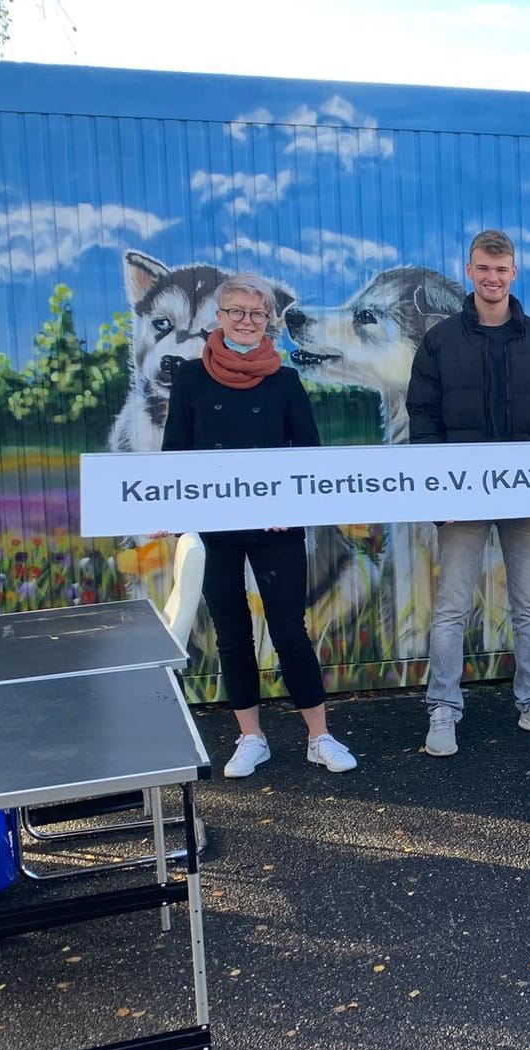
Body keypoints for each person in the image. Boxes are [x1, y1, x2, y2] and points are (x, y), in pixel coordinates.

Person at [162, 273, 356, 778]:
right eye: (237, 312)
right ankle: (251, 737)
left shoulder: (286, 380)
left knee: (290, 629)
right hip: (213, 529)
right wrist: (170, 515)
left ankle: (320, 736)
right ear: (219, 318)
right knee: (231, 633)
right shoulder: (190, 378)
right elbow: (174, 456)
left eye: (257, 314)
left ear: (268, 322)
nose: (247, 321)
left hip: (276, 528)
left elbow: (307, 455)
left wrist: (288, 507)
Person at [407, 229, 530, 757]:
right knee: (452, 608)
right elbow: (424, 417)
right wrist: (438, 488)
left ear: (514, 273)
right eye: (484, 268)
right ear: (469, 270)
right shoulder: (440, 341)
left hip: (527, 497)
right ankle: (444, 708)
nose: (493, 277)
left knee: (529, 606)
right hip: (461, 497)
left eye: (502, 269)